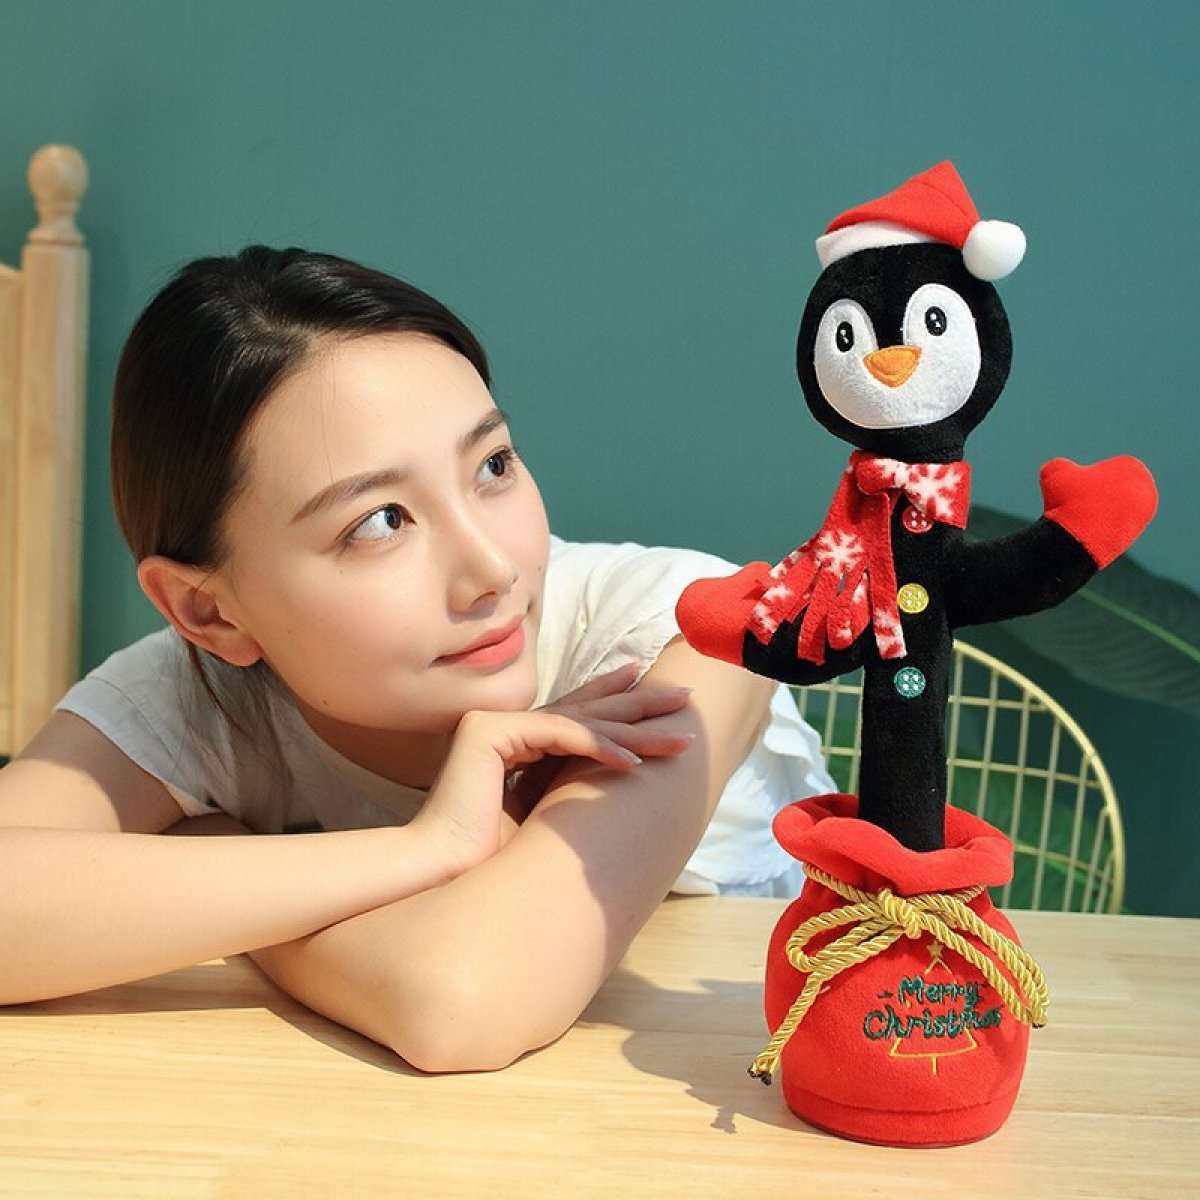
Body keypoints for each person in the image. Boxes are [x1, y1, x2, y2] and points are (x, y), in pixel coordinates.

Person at [0, 247, 831, 1071]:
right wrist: (426, 849)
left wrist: (213, 851)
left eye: (493, 466)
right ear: (208, 611)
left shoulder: (697, 627)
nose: (492, 570)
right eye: (380, 522)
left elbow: (461, 1001)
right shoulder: (197, 693)